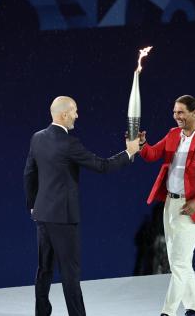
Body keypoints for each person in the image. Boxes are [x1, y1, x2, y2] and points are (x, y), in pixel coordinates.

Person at [24, 96, 141, 316]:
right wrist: (130, 152)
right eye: (75, 111)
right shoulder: (69, 143)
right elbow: (103, 166)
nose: (77, 115)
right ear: (65, 114)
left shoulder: (37, 138)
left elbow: (29, 173)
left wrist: (33, 204)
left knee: (44, 270)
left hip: (42, 215)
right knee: (70, 274)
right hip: (64, 218)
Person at [138, 95, 195, 316]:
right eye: (175, 112)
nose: (177, 117)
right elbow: (153, 154)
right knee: (181, 262)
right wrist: (142, 145)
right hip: (170, 205)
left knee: (178, 263)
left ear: (194, 112)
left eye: (181, 112)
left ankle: (167, 312)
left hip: (191, 208)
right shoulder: (173, 134)